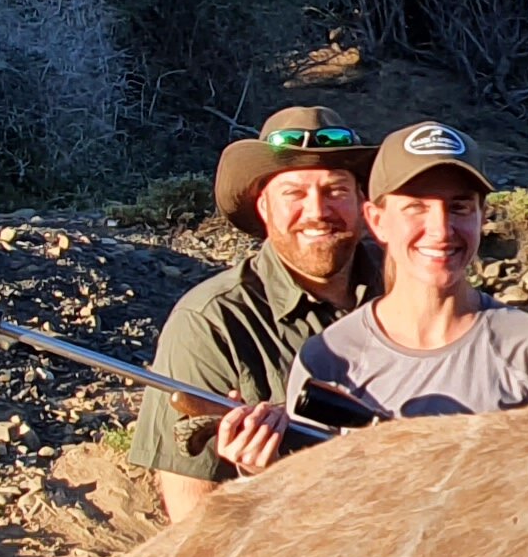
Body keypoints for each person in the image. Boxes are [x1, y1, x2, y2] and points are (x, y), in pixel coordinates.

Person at [209, 119, 528, 478]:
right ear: (376, 220)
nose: (441, 230)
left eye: (459, 207)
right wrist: (264, 472)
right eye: (416, 207)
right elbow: (312, 517)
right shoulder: (327, 359)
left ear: (481, 216)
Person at [129, 105, 376, 525]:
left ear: (363, 204)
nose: (317, 211)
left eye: (336, 190)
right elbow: (193, 522)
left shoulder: (413, 293)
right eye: (294, 193)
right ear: (263, 207)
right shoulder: (209, 322)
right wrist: (259, 484)